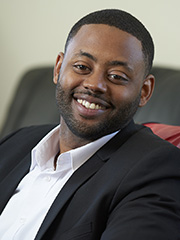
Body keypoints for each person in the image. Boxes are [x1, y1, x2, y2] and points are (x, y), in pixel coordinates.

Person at [0, 9, 180, 240]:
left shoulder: (159, 170)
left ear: (144, 91)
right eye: (82, 67)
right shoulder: (14, 143)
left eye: (116, 76)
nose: (95, 85)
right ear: (58, 68)